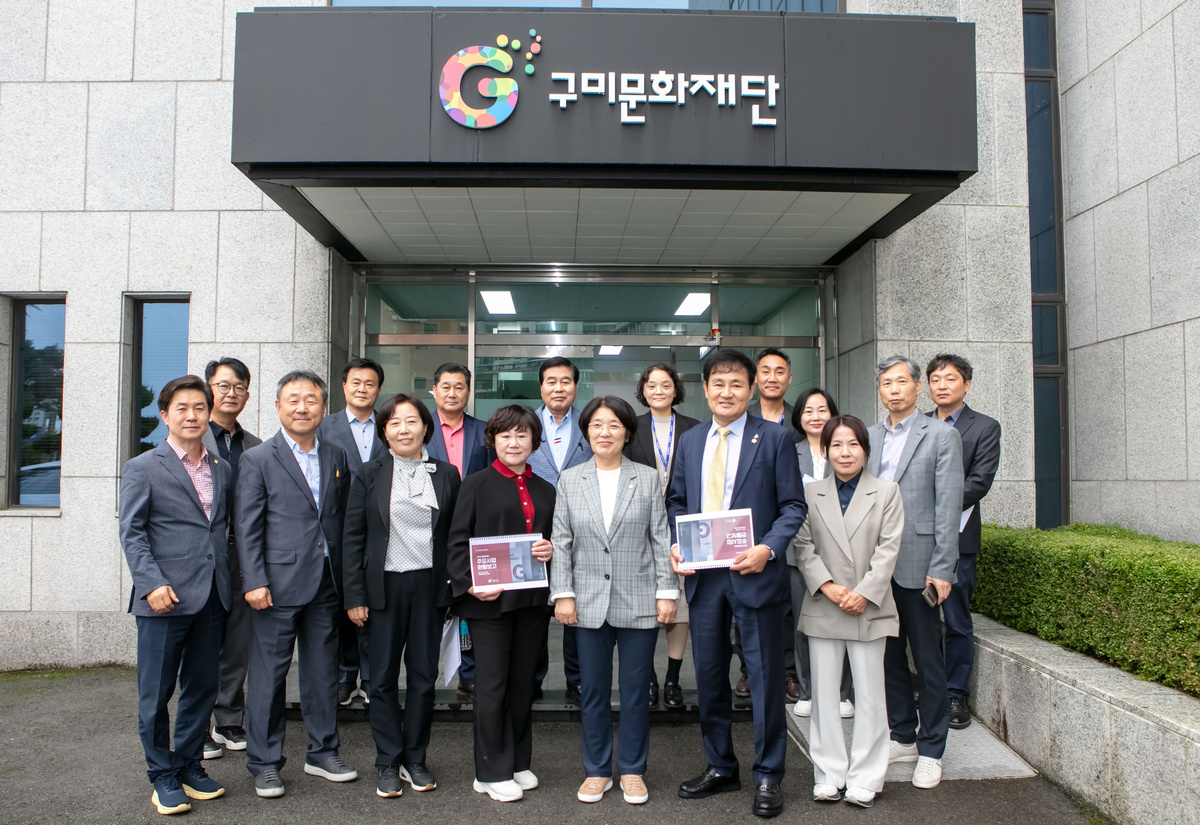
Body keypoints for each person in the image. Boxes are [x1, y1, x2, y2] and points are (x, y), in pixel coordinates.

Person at [668, 349, 806, 819]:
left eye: (736, 384)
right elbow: (677, 501)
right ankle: (721, 766)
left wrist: (767, 548)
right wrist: (677, 542)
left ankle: (769, 774)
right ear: (706, 389)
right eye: (718, 384)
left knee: (765, 678)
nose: (726, 392)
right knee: (709, 677)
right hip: (705, 578)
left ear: (751, 389)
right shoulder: (690, 440)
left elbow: (793, 506)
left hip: (755, 573)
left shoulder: (775, 438)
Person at [551, 396, 678, 805]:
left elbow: (660, 538)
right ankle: (597, 771)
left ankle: (634, 770)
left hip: (639, 597)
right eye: (596, 425)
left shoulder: (647, 478)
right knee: (593, 691)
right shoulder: (571, 479)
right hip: (587, 601)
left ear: (627, 432)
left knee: (636, 691)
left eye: (613, 425)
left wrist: (667, 591)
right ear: (586, 432)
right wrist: (563, 594)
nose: (604, 433)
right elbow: (561, 541)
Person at [237, 370, 357, 798]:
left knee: (323, 673)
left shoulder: (336, 454)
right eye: (293, 400)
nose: (303, 407)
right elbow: (247, 526)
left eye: (311, 400)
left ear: (323, 407)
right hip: (275, 585)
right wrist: (254, 580)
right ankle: (265, 763)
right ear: (277, 406)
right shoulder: (257, 458)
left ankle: (322, 752)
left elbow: (340, 519)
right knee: (268, 677)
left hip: (326, 582)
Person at [119, 375, 231, 815]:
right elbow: (132, 532)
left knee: (201, 688)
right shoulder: (143, 466)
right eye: (182, 408)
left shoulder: (221, 467)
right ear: (165, 415)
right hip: (163, 599)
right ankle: (161, 774)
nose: (192, 416)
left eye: (199, 407)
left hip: (211, 595)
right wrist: (151, 583)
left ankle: (188, 765)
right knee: (156, 693)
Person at [342, 393, 462, 798]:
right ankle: (388, 760)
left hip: (429, 586)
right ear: (384, 431)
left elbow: (455, 536)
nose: (404, 429)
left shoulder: (446, 474)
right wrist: (354, 595)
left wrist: (454, 587)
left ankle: (416, 757)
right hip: (383, 587)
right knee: (381, 679)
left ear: (426, 427)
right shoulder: (369, 473)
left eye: (412, 421)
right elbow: (353, 537)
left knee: (424, 677)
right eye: (394, 422)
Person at [791, 415, 904, 809]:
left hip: (868, 606)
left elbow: (889, 549)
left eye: (853, 444)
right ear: (825, 450)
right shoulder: (809, 493)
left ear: (865, 450)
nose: (845, 452)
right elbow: (802, 546)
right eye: (836, 445)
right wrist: (828, 586)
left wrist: (864, 593)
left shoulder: (887, 492)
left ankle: (866, 777)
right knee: (823, 697)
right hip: (825, 602)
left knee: (871, 696)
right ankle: (828, 774)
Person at [446, 405, 557, 803]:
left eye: (522, 435)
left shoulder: (546, 489)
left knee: (523, 684)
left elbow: (556, 540)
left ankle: (517, 761)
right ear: (493, 440)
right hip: (488, 603)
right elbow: (456, 542)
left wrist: (550, 549)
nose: (514, 442)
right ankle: (490, 771)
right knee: (491, 686)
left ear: (534, 442)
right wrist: (470, 584)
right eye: (505, 435)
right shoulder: (475, 484)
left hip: (531, 602)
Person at [866, 355, 963, 790]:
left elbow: (948, 507)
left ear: (917, 387)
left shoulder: (941, 435)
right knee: (888, 658)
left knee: (927, 660)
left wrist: (942, 568)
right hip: (876, 566)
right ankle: (903, 735)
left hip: (919, 565)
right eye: (887, 383)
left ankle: (932, 749)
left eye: (901, 382)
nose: (894, 390)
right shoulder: (869, 436)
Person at [925, 354, 1001, 730]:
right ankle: (928, 689)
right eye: (935, 379)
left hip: (958, 537)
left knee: (955, 620)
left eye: (951, 379)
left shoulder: (984, 427)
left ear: (966, 385)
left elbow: (979, 481)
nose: (942, 385)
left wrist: (932, 503)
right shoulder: (918, 425)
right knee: (920, 621)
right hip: (917, 540)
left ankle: (956, 694)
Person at [625, 363, 700, 709]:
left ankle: (672, 677)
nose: (658, 391)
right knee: (644, 602)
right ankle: (650, 678)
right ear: (643, 390)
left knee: (679, 604)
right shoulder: (631, 427)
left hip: (682, 524)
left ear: (675, 389)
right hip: (639, 525)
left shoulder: (694, 428)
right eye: (651, 385)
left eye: (665, 385)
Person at [201, 357, 262, 759]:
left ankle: (228, 719)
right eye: (223, 386)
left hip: (242, 553)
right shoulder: (191, 435)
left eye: (239, 387)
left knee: (238, 643)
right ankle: (198, 726)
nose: (231, 393)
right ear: (209, 389)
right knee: (204, 642)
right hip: (205, 556)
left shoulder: (254, 446)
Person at [319, 357, 386, 707]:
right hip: (337, 528)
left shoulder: (389, 425)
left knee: (375, 602)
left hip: (381, 530)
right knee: (342, 601)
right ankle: (346, 675)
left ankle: (372, 676)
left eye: (370, 383)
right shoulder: (323, 426)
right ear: (344, 386)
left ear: (379, 389)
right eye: (356, 382)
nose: (362, 389)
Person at [426, 361, 493, 700]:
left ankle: (469, 674)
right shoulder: (419, 429)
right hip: (429, 531)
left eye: (459, 387)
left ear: (468, 391)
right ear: (434, 390)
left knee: (469, 604)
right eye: (446, 386)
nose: (452, 393)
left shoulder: (485, 432)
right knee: (433, 605)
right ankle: (425, 675)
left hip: (474, 532)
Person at [528, 356, 591, 703]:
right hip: (532, 531)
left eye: (566, 381)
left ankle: (576, 680)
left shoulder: (589, 424)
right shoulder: (525, 424)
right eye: (551, 381)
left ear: (575, 386)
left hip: (579, 532)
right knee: (535, 609)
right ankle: (532, 678)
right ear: (541, 387)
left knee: (574, 609)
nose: (558, 388)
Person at [788, 389, 854, 719]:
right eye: (808, 411)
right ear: (799, 417)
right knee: (804, 623)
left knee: (844, 620)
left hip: (843, 550)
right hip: (798, 551)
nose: (815, 416)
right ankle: (808, 691)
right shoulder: (789, 451)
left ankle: (842, 693)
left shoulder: (845, 450)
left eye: (822, 409)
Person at [748, 347, 799, 443]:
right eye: (766, 372)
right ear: (756, 377)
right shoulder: (742, 416)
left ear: (789, 378)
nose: (772, 379)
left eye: (779, 372)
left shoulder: (800, 418)